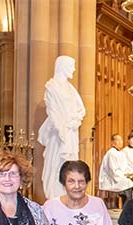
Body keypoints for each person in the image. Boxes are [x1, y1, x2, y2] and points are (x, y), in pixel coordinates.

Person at [38, 55, 86, 200]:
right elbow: (52, 111)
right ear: (63, 67)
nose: (74, 69)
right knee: (56, 163)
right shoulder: (51, 86)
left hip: (71, 131)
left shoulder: (71, 88)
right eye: (71, 66)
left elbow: (81, 109)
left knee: (70, 164)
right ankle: (54, 196)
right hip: (58, 133)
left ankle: (68, 195)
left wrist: (76, 120)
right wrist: (61, 130)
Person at [98, 133, 133, 205]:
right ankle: (127, 206)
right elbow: (112, 170)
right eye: (118, 140)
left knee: (131, 183)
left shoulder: (118, 153)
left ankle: (128, 205)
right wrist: (124, 176)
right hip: (111, 179)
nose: (120, 142)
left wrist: (127, 174)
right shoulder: (111, 153)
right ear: (113, 142)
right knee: (128, 183)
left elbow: (123, 167)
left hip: (121, 175)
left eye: (121, 140)